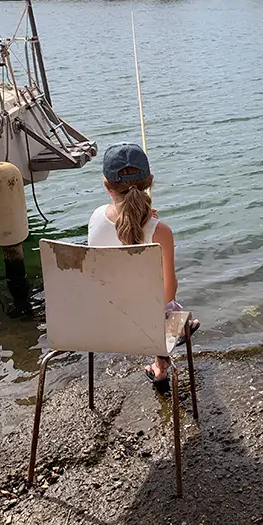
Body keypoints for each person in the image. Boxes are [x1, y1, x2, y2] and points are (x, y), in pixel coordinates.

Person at [86, 142, 197, 384]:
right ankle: (163, 361)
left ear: (106, 185)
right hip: (148, 330)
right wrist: (150, 224)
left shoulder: (95, 218)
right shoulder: (161, 232)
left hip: (100, 324)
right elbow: (167, 293)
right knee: (166, 306)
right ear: (150, 182)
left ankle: (165, 355)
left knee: (143, 303)